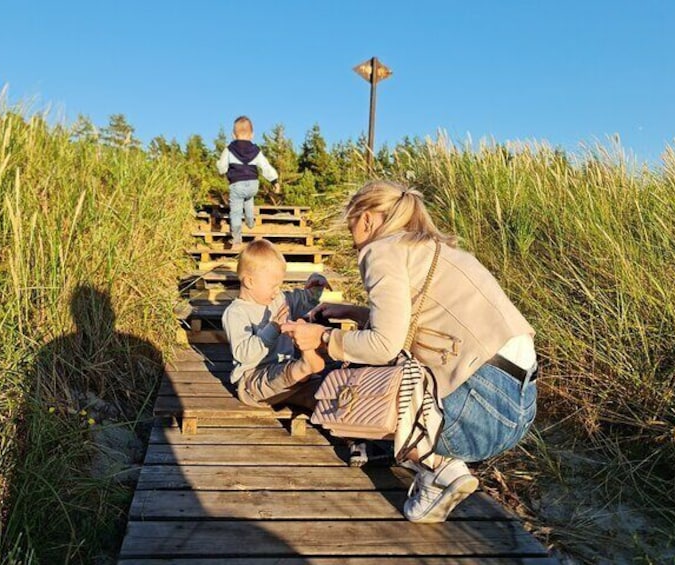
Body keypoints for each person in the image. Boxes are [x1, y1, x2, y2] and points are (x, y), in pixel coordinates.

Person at [282, 180, 538, 523]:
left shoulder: (381, 250)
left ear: (369, 219)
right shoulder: (432, 249)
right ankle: (437, 468)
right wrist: (354, 313)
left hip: (478, 410)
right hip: (520, 408)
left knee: (364, 388)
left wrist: (323, 337)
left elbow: (384, 344)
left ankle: (439, 466)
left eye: (351, 224)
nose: (351, 234)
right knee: (391, 362)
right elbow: (415, 323)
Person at [222, 240, 329, 410]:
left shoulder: (279, 300)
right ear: (250, 282)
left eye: (280, 285)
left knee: (322, 393)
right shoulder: (236, 313)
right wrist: (273, 328)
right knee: (291, 374)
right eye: (274, 286)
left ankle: (336, 411)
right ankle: (305, 366)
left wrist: (315, 289)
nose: (278, 290)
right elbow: (243, 354)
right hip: (254, 379)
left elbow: (302, 301)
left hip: (290, 376)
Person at [216, 116, 280, 248]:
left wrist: (222, 170)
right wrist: (274, 181)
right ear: (252, 135)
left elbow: (222, 167)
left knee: (236, 212)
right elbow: (265, 166)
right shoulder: (256, 151)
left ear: (233, 135)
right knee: (249, 198)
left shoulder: (229, 149)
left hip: (237, 184)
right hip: (253, 184)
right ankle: (250, 221)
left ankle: (237, 239)